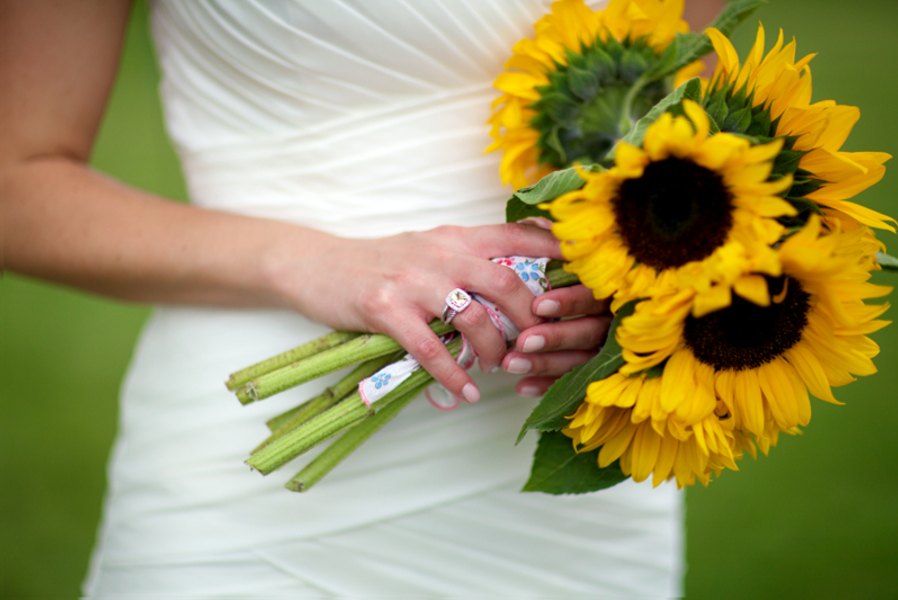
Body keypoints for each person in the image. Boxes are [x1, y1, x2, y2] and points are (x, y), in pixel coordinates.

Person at [1, 0, 717, 596]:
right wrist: (312, 262)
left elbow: (701, 155)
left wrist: (625, 304)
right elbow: (16, 184)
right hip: (256, 463)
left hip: (572, 472)